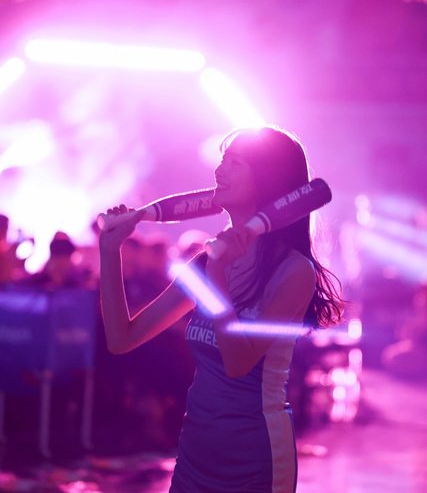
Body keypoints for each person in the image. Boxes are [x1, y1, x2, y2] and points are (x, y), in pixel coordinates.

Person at [99, 126, 343, 493]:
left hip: (255, 459)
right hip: (195, 453)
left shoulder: (293, 271)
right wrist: (110, 251)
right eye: (222, 160)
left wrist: (217, 273)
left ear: (268, 178)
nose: (218, 171)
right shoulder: (205, 264)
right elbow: (122, 338)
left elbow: (238, 362)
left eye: (235, 162)